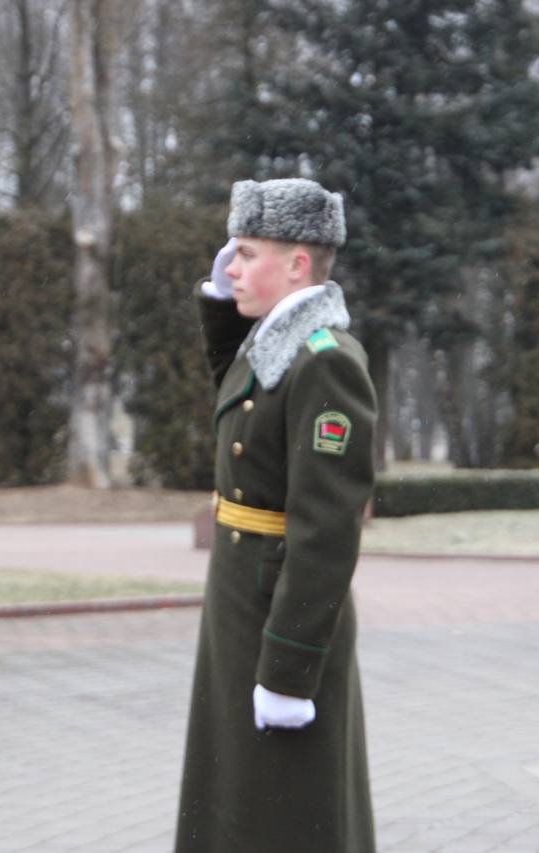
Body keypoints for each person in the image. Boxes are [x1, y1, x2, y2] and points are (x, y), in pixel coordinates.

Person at [176, 178, 377, 852]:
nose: (229, 265)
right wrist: (220, 304)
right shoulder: (273, 347)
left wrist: (288, 669)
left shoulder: (326, 363)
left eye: (246, 252)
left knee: (290, 804)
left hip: (278, 615)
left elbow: (325, 533)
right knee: (235, 789)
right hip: (240, 604)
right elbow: (236, 391)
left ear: (298, 264)